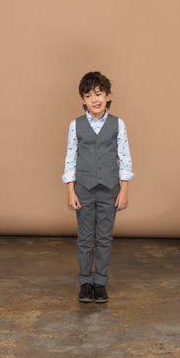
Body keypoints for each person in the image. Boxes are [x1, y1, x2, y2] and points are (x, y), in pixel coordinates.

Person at [62, 71, 135, 303]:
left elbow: (124, 157)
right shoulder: (76, 126)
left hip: (110, 188)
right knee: (85, 237)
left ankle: (100, 282)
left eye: (98, 93)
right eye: (89, 95)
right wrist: (70, 190)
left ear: (108, 95)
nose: (95, 99)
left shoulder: (118, 124)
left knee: (104, 237)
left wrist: (124, 189)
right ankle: (85, 282)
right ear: (83, 100)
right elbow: (70, 158)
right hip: (83, 188)